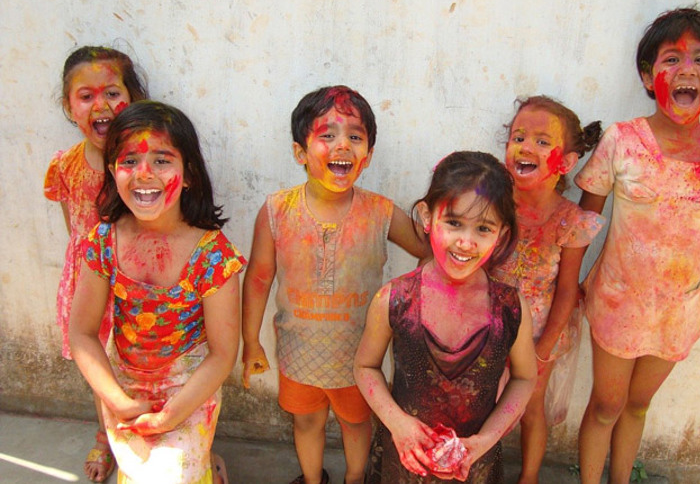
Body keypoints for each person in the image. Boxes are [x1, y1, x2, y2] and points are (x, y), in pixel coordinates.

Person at [575, 7, 700, 484]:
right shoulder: (623, 141)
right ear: (650, 78)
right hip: (616, 300)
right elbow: (586, 219)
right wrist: (570, 282)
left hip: (678, 311)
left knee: (637, 404)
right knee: (607, 404)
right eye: (672, 58)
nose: (687, 68)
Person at [241, 85, 429, 484]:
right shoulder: (277, 211)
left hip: (359, 357)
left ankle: (355, 479)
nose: (342, 145)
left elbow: (430, 251)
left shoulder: (380, 212)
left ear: (368, 155)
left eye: (355, 136)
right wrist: (251, 342)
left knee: (357, 424)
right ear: (300, 152)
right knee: (306, 422)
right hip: (298, 351)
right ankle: (312, 480)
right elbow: (258, 279)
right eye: (327, 135)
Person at [69, 101, 245, 484]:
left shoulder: (213, 255)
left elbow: (223, 353)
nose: (143, 174)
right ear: (113, 171)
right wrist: (116, 402)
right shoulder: (103, 241)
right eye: (129, 161)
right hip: (123, 386)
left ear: (189, 175)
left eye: (162, 160)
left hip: (190, 386)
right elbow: (81, 333)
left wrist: (171, 416)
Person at [354, 151, 537, 483]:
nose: (465, 242)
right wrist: (397, 423)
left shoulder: (510, 309)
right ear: (427, 216)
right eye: (453, 222)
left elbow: (524, 379)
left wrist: (487, 440)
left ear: (502, 235)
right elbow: (365, 367)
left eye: (483, 228)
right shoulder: (394, 301)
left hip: (475, 466)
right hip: (402, 462)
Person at [44, 46, 148, 482]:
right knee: (99, 367)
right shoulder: (64, 167)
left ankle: (167, 435)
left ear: (133, 98)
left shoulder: (143, 161)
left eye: (112, 92)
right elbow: (76, 229)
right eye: (86, 96)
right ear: (69, 107)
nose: (101, 104)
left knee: (148, 363)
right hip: (90, 284)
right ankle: (106, 438)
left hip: (138, 282)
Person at [492, 96, 604, 484]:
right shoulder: (492, 203)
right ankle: (476, 466)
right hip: (487, 325)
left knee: (531, 406)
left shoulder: (569, 220)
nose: (526, 146)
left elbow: (567, 290)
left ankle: (529, 477)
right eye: (518, 136)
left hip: (539, 331)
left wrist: (542, 351)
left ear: (567, 163)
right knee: (480, 401)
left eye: (542, 141)